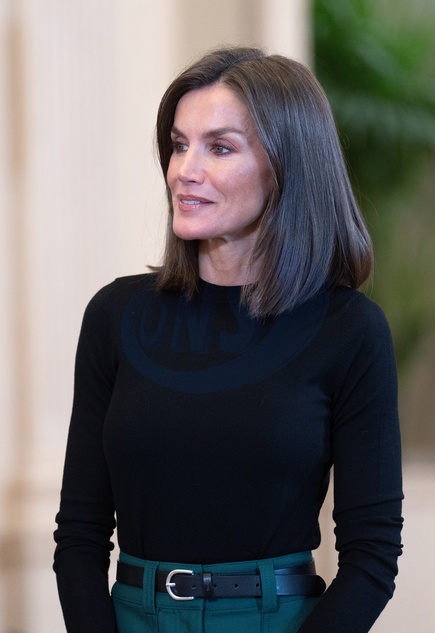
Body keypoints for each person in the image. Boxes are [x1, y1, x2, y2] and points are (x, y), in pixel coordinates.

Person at [53, 46, 403, 633]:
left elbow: (372, 557)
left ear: (286, 167)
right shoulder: (115, 315)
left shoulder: (350, 330)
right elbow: (79, 535)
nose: (184, 170)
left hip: (279, 620)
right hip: (134, 617)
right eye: (179, 144)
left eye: (219, 147)